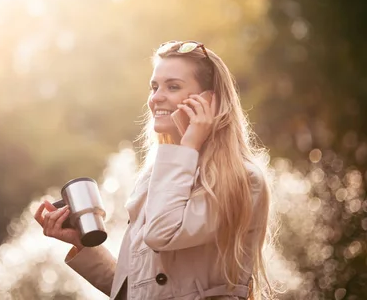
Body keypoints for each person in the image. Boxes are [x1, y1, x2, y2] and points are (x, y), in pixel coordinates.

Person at [34, 41, 273, 300]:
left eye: (173, 86)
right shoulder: (155, 177)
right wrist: (82, 244)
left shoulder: (243, 179)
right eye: (154, 86)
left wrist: (189, 143)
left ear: (209, 101)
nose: (156, 97)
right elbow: (143, 291)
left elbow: (161, 234)